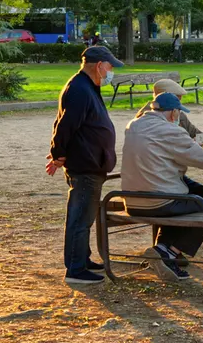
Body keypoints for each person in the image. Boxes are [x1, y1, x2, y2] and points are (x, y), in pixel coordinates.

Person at [120, 93, 203, 282]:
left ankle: (162, 249)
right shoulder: (171, 130)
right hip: (158, 200)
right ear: (174, 112)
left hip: (131, 199)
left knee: (199, 194)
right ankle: (168, 252)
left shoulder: (133, 125)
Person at [46, 45, 124, 284]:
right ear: (99, 66)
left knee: (85, 217)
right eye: (110, 67)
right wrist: (58, 153)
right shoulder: (80, 88)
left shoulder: (87, 86)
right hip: (85, 164)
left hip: (91, 162)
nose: (111, 72)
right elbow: (64, 125)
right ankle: (76, 269)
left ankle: (82, 258)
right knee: (80, 218)